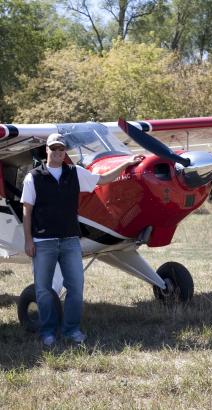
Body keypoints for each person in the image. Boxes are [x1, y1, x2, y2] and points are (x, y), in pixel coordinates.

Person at [21, 133, 143, 347]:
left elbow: (103, 179)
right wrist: (28, 240)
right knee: (43, 289)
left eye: (61, 149)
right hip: (43, 241)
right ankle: (48, 331)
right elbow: (27, 210)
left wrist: (126, 163)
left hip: (70, 240)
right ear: (46, 150)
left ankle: (71, 330)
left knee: (76, 287)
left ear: (64, 152)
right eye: (54, 148)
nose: (58, 152)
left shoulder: (74, 173)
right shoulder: (34, 177)